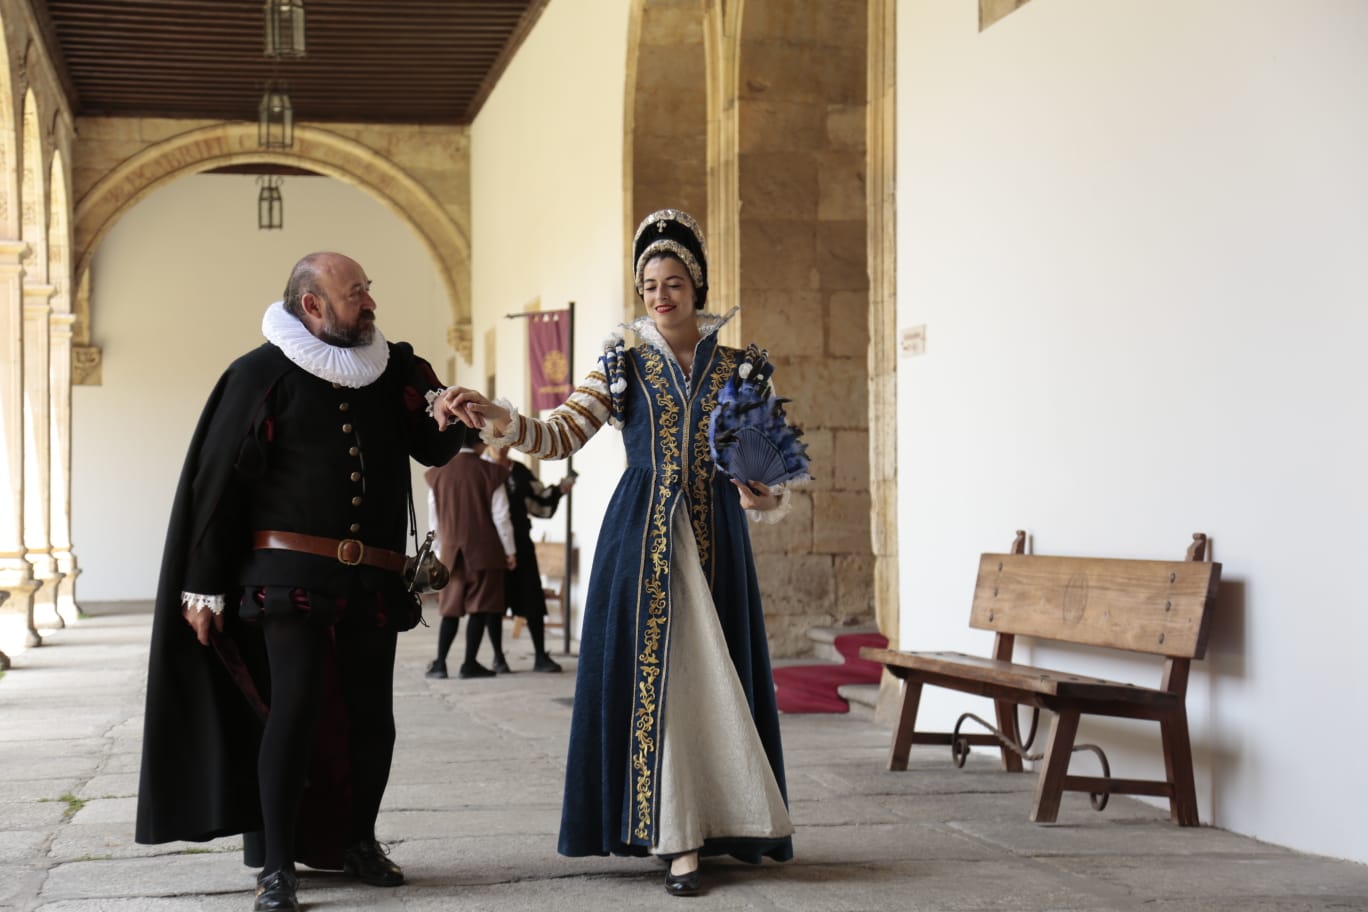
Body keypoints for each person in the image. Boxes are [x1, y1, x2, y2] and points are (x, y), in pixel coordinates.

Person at [436, 209, 796, 897]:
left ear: (697, 285)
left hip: (717, 537)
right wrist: (497, 417)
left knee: (713, 679)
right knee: (662, 682)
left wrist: (760, 491)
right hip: (642, 539)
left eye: (673, 282)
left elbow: (767, 483)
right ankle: (676, 836)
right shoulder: (621, 366)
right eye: (649, 285)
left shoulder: (741, 369)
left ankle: (718, 821)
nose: (661, 296)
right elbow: (559, 433)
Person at [135, 252, 467, 912]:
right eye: (354, 294)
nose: (369, 303)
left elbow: (432, 448)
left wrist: (452, 416)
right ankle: (277, 868)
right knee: (294, 712)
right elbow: (216, 486)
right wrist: (202, 586)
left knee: (375, 719)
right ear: (312, 305)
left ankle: (359, 841)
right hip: (286, 580)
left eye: (369, 290)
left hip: (373, 579)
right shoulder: (258, 376)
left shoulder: (393, 369)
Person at [423, 430, 517, 679]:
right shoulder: (492, 473)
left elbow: (434, 521)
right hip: (486, 553)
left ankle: (441, 664)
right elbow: (501, 517)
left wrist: (440, 552)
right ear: (481, 442)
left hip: (451, 554)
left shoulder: (437, 473)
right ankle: (469, 664)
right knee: (480, 608)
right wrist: (510, 551)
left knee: (450, 610)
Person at [486, 443, 576, 672]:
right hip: (493, 546)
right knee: (495, 603)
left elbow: (539, 499)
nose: (502, 446)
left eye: (506, 440)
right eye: (498, 439)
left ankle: (540, 656)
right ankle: (498, 657)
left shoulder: (519, 470)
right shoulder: (481, 469)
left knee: (533, 598)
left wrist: (558, 490)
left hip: (522, 543)